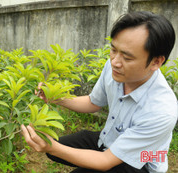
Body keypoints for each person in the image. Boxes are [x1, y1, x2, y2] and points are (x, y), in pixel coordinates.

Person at [21, 11, 178, 173]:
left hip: (143, 161)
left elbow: (105, 160)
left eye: (127, 57)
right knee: (55, 153)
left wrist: (52, 147)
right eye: (114, 49)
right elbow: (93, 103)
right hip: (111, 138)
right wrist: (55, 97)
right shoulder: (114, 67)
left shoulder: (162, 111)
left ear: (156, 62)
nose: (115, 62)